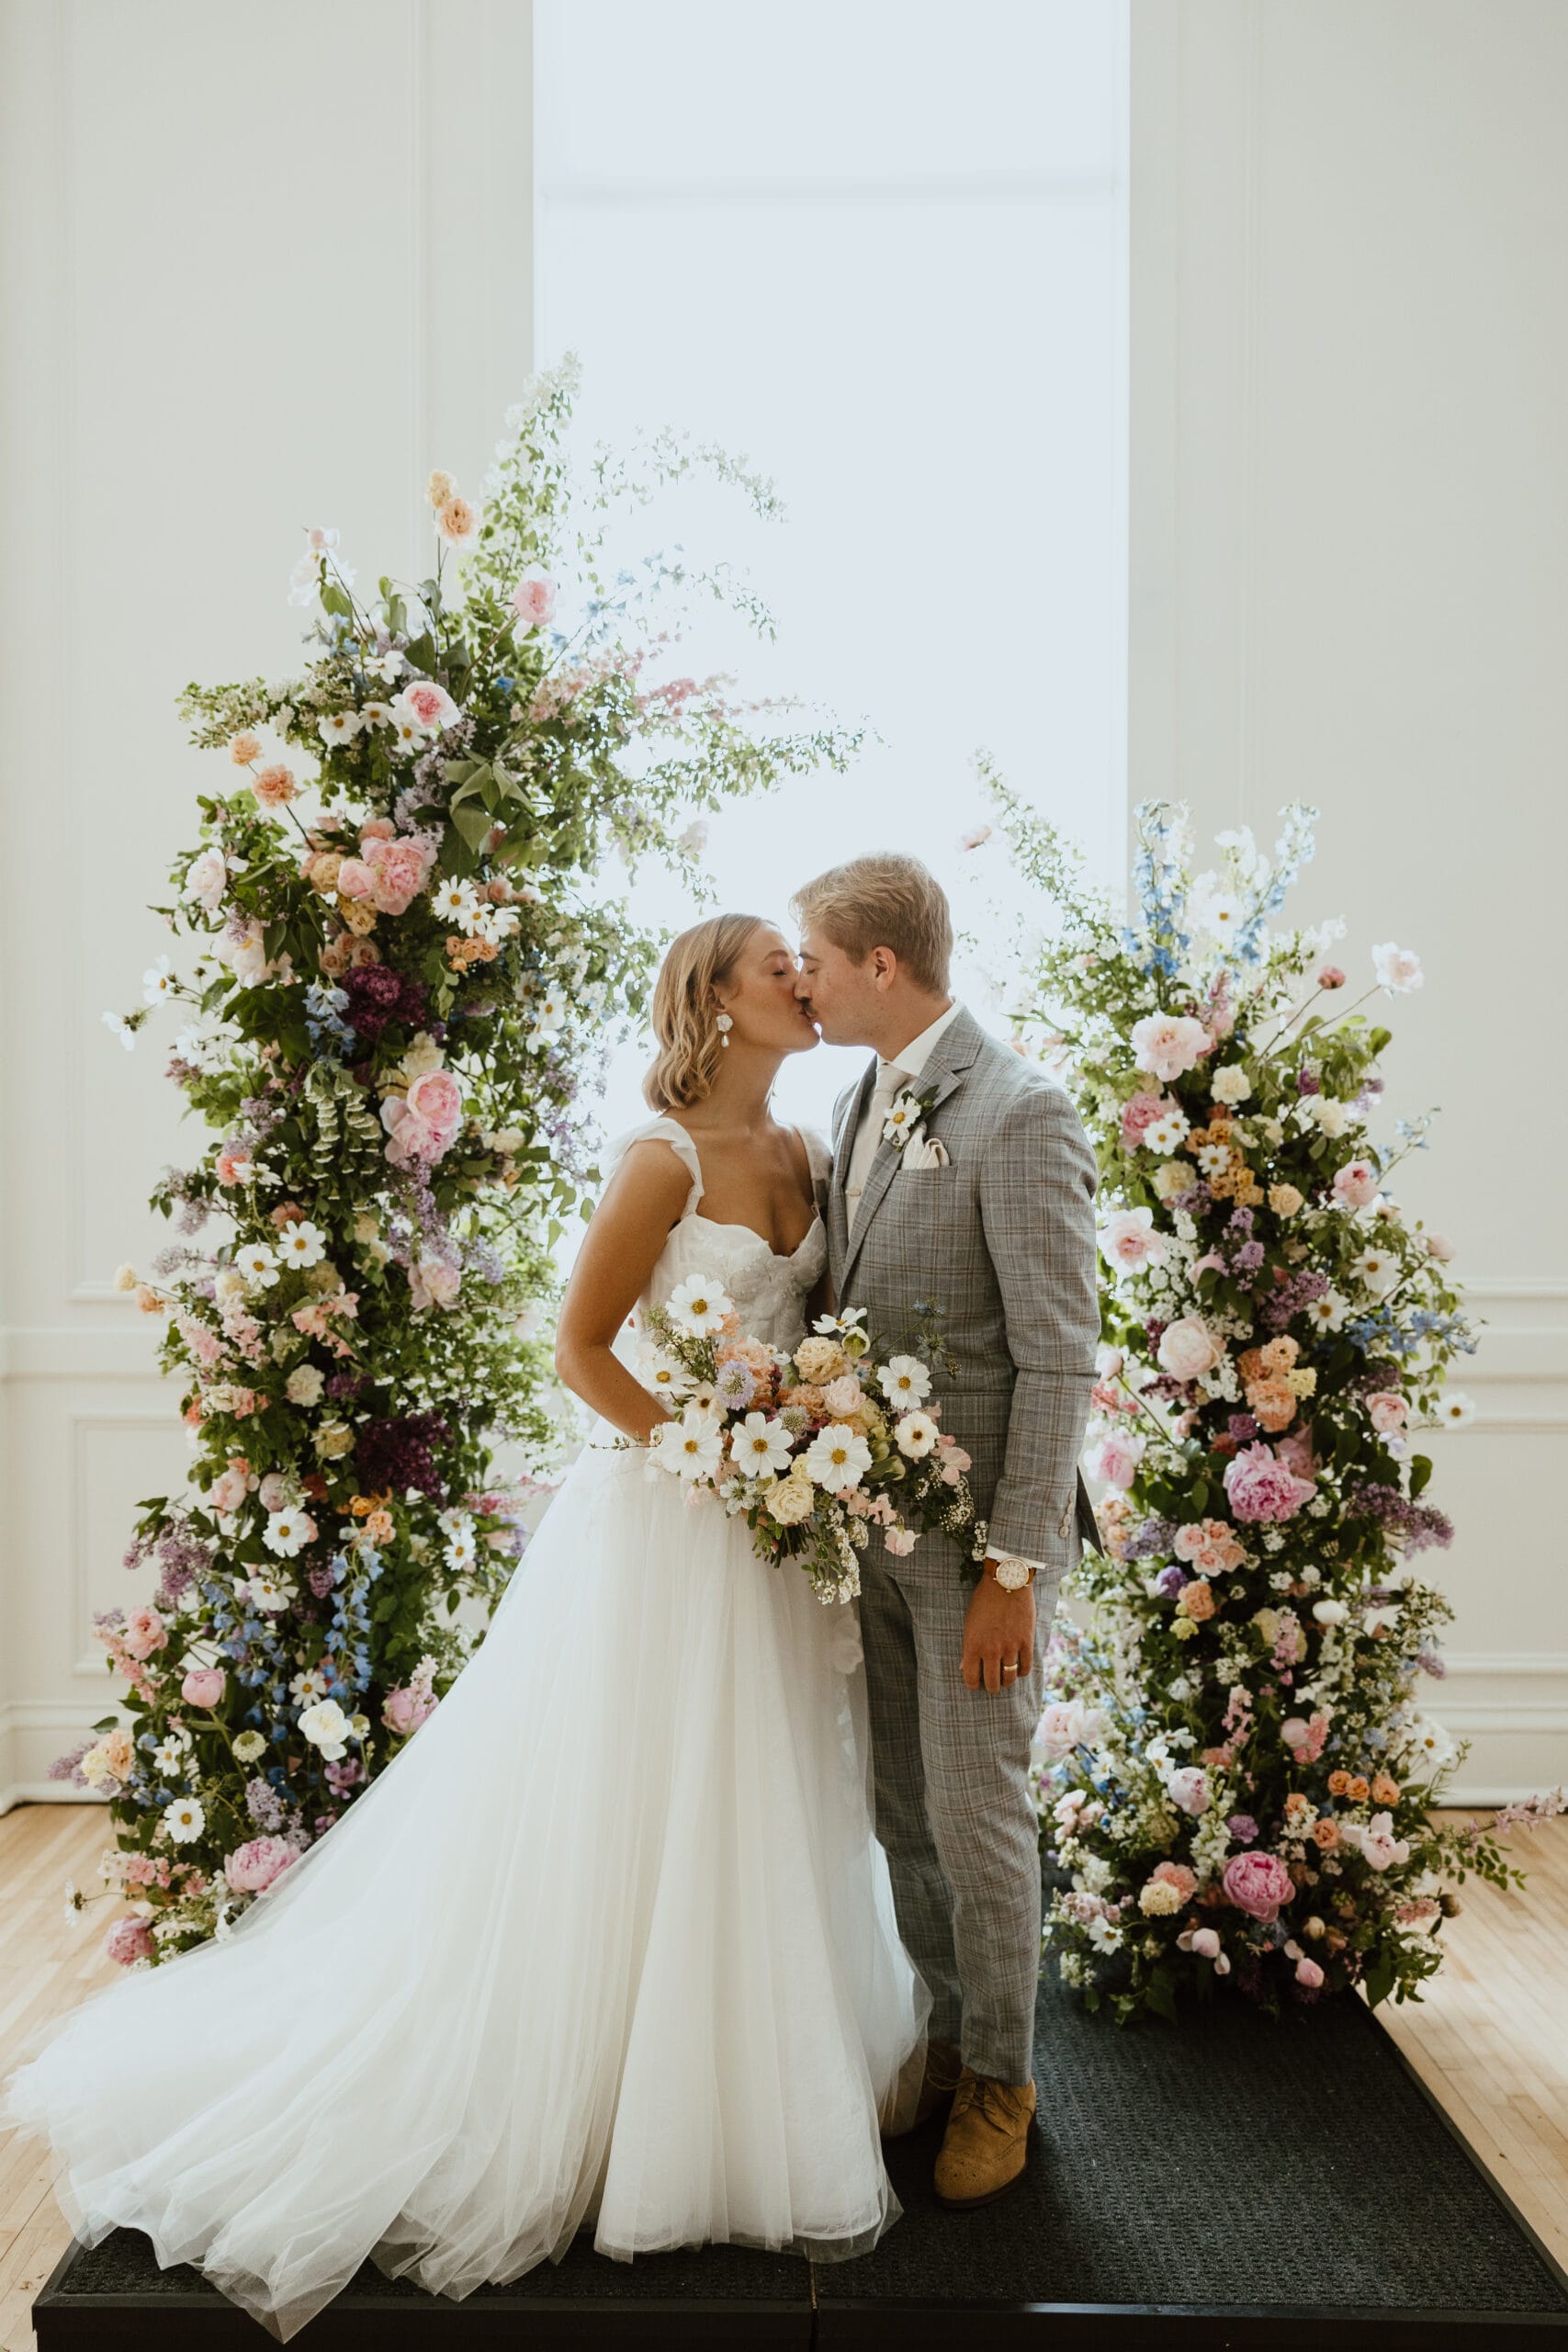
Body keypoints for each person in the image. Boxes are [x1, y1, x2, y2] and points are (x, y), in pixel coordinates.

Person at [0, 913, 929, 2344]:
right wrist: (719, 1454)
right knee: (636, 1805)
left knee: (769, 1798)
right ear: (712, 1000)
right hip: (673, 1530)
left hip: (775, 1541)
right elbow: (580, 1349)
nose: (803, 983)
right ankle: (603, 2093)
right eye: (778, 971)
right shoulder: (658, 1162)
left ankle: (750, 2068)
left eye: (808, 971)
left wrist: (807, 1450)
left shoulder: (809, 1152)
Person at [793, 853, 1100, 2211]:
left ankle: (1005, 2082)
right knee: (902, 1809)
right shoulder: (856, 1097)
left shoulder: (1022, 1112)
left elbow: (1059, 1361)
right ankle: (935, 2040)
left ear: (879, 964)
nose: (798, 977)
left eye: (813, 955)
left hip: (982, 1553)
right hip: (870, 1534)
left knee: (982, 1816)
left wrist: (1012, 1570)